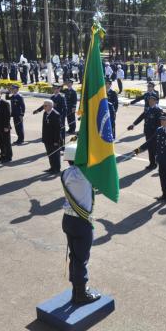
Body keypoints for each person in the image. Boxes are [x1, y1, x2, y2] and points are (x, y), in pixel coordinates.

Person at [60, 144, 101, 304]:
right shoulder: (87, 175)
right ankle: (81, 294)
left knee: (74, 257)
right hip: (81, 222)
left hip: (67, 220)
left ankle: (76, 290)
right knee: (82, 259)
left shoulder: (64, 174)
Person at [133, 112, 166, 201]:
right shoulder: (159, 130)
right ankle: (164, 194)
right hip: (160, 159)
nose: (162, 121)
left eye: (164, 120)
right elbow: (150, 141)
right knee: (162, 177)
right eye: (161, 120)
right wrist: (139, 150)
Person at [127, 95, 162, 170]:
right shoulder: (147, 109)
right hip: (148, 132)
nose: (150, 102)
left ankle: (156, 164)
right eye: (149, 100)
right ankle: (153, 163)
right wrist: (133, 124)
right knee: (150, 148)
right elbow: (141, 117)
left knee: (153, 149)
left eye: (152, 100)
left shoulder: (158, 110)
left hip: (154, 133)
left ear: (156, 101)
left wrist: (156, 134)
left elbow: (159, 124)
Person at [41, 99, 62, 174]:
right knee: (50, 154)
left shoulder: (56, 114)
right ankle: (52, 167)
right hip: (47, 138)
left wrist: (56, 141)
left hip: (54, 139)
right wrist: (43, 138)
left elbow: (57, 129)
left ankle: (56, 168)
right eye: (44, 105)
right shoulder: (45, 113)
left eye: (45, 105)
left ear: (50, 106)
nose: (44, 107)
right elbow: (44, 127)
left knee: (55, 155)